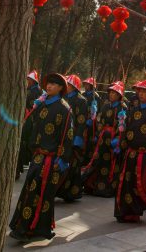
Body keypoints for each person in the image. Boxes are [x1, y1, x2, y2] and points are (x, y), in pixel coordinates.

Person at [9, 73, 73, 243]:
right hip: (37, 156)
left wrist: (63, 159)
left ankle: (29, 229)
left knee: (43, 194)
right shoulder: (42, 104)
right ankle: (24, 225)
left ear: (61, 88)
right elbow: (33, 128)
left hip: (51, 159)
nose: (49, 86)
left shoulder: (64, 109)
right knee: (30, 190)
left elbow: (68, 135)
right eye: (48, 83)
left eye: (54, 84)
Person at [114, 79, 146, 223]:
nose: (141, 94)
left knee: (144, 184)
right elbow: (126, 131)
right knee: (127, 184)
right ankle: (128, 213)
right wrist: (120, 144)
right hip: (130, 154)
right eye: (140, 91)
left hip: (145, 156)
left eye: (145, 91)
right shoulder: (133, 110)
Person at [83, 81, 126, 197]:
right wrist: (97, 134)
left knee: (111, 164)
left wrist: (118, 139)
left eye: (114, 93)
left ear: (119, 95)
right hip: (102, 139)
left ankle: (108, 189)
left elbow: (123, 126)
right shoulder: (106, 105)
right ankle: (91, 186)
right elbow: (100, 120)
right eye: (110, 93)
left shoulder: (123, 108)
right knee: (98, 161)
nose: (111, 95)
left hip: (113, 141)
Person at [56, 74, 88, 202]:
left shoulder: (81, 100)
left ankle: (71, 193)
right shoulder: (62, 97)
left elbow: (81, 121)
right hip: (61, 135)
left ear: (74, 87)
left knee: (72, 165)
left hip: (73, 136)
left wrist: (78, 138)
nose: (66, 87)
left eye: (68, 85)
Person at [16, 70, 43, 179]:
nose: (28, 81)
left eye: (29, 79)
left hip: (31, 120)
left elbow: (35, 107)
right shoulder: (28, 89)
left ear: (33, 80)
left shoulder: (37, 91)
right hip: (25, 117)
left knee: (27, 141)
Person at [82, 77, 101, 166]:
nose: (86, 86)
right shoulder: (83, 94)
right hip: (83, 120)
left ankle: (87, 160)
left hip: (91, 122)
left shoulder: (95, 96)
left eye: (88, 84)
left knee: (89, 142)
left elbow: (98, 110)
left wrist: (92, 118)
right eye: (85, 84)